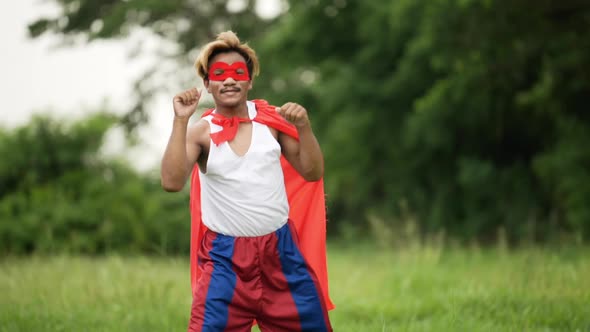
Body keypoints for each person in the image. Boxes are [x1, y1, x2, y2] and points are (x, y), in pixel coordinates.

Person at [160, 30, 334, 332]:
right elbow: (172, 181)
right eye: (220, 74)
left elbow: (312, 172)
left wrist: (304, 127)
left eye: (238, 73)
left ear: (250, 81)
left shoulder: (272, 121)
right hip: (225, 261)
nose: (229, 80)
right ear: (208, 84)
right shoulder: (201, 132)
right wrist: (180, 120)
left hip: (282, 255)